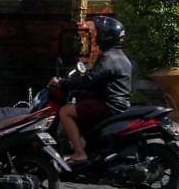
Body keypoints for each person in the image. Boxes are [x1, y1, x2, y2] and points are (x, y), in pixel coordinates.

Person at [52, 16, 132, 165]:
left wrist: (64, 83)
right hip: (118, 104)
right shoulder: (121, 57)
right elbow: (98, 80)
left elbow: (89, 80)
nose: (95, 36)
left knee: (65, 111)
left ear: (106, 36)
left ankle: (79, 153)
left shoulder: (108, 57)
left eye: (98, 33)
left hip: (109, 106)